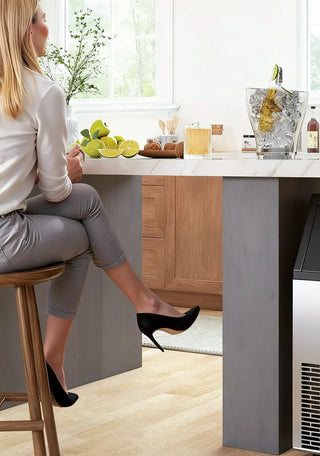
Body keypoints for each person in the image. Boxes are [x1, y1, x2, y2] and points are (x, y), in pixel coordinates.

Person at [0, 0, 199, 407]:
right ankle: (136, 310)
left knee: (87, 206)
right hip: (7, 236)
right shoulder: (43, 92)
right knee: (82, 231)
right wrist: (64, 170)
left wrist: (42, 169)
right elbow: (57, 192)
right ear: (25, 30)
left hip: (7, 225)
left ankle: (136, 311)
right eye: (41, 21)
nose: (47, 30)